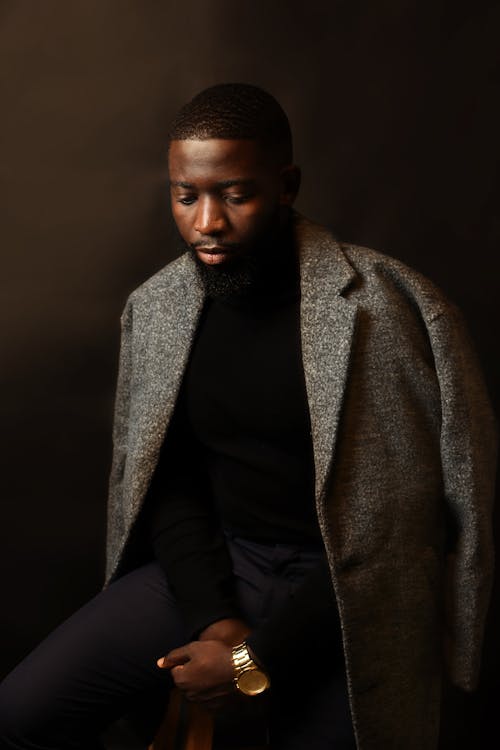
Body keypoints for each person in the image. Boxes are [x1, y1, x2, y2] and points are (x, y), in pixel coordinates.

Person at [0, 83, 496, 750]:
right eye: (186, 196)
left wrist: (256, 659)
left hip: (345, 593)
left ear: (286, 185)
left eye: (235, 194)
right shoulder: (156, 311)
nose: (207, 221)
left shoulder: (385, 309)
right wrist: (216, 620)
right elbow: (169, 482)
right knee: (24, 712)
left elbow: (397, 533)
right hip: (220, 566)